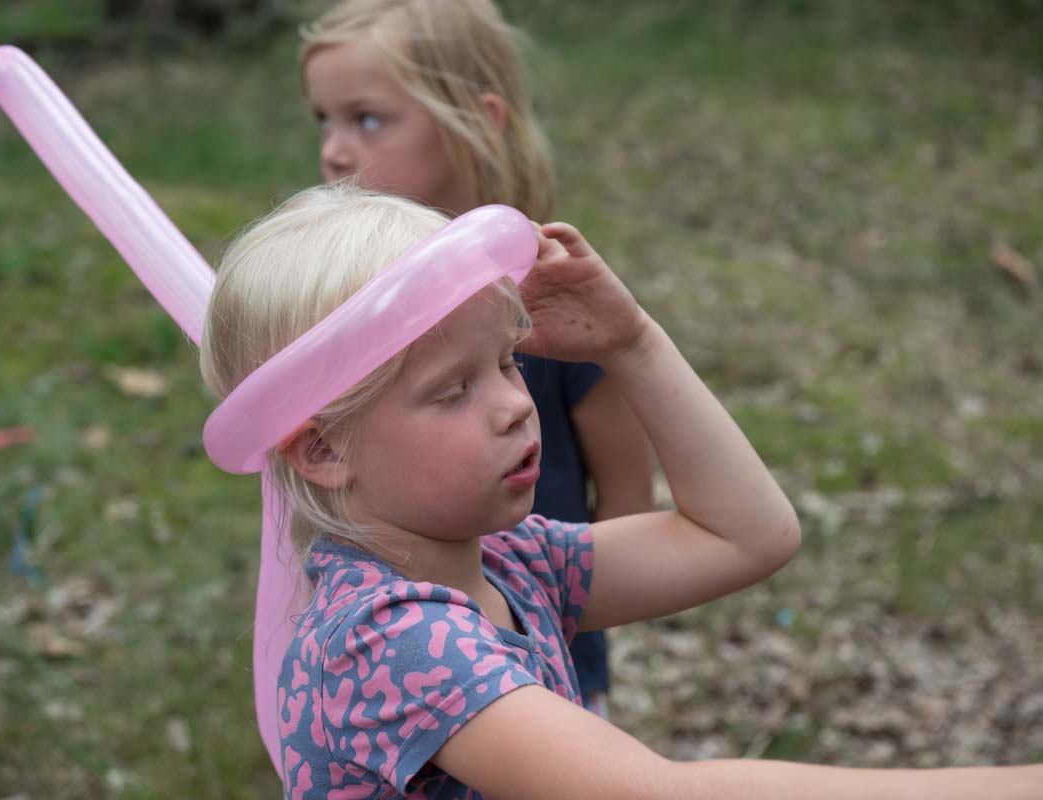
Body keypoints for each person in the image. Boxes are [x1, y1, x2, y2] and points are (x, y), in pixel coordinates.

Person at [200, 184, 1041, 799]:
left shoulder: (507, 561)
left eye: (506, 362)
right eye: (452, 391)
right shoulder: (384, 641)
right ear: (323, 449)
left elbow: (745, 536)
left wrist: (631, 344)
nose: (513, 405)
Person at [297, 0, 653, 715]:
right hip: (392, 655)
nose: (334, 149)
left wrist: (572, 611)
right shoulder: (339, 303)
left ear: (477, 121)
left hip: (539, 647)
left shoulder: (549, 300)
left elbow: (627, 492)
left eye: (367, 119)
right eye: (324, 120)